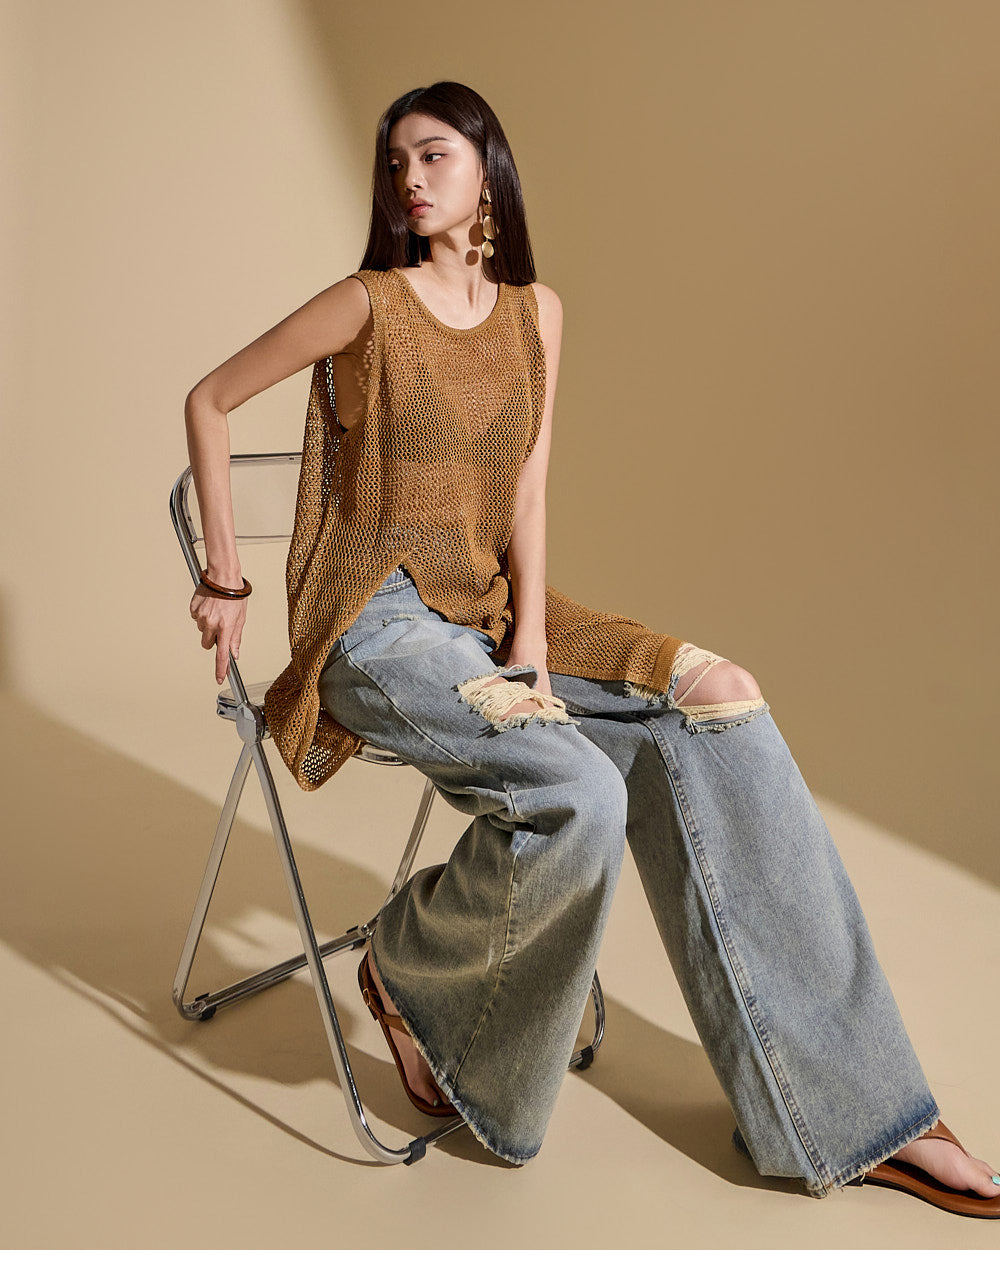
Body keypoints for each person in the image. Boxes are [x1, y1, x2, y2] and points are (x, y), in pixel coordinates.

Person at [184, 80, 999, 1218]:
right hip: (375, 621)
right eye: (395, 162)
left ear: (487, 168)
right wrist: (225, 576)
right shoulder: (368, 303)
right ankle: (407, 966)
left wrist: (526, 638)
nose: (410, 179)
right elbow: (211, 398)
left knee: (719, 698)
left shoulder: (537, 314)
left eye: (433, 155)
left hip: (487, 608)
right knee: (580, 788)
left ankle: (853, 1111)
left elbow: (526, 487)